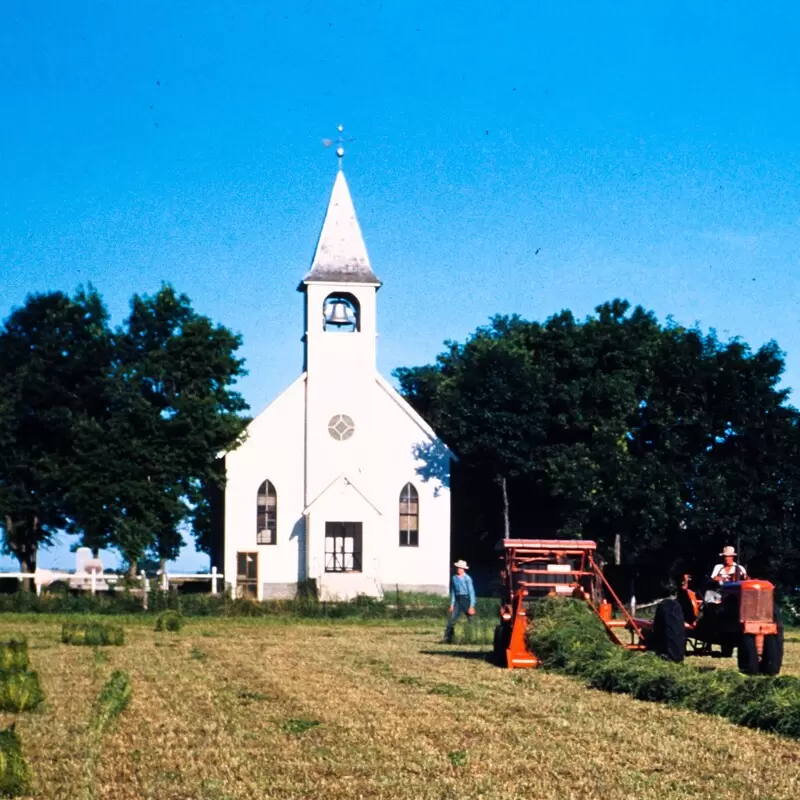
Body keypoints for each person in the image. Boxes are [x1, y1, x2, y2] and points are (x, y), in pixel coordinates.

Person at [441, 559, 476, 644]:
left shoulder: (467, 578)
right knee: (452, 619)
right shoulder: (454, 578)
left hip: (466, 599)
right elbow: (453, 592)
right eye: (458, 568)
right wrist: (452, 604)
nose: (459, 569)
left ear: (464, 569)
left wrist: (471, 605)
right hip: (457, 600)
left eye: (461, 568)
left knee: (471, 619)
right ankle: (447, 638)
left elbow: (471, 592)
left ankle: (473, 637)